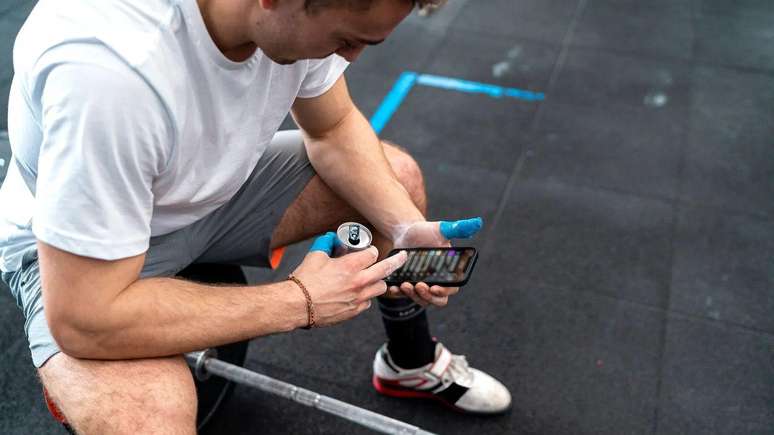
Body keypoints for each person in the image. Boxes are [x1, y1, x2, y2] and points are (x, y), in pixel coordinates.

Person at [0, 0, 511, 432]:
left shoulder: (281, 21)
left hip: (200, 195)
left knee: (395, 180)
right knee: (149, 420)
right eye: (347, 39)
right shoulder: (111, 76)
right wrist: (300, 300)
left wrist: (402, 228)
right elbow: (87, 319)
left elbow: (332, 128)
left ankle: (409, 362)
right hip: (84, 263)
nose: (350, 55)